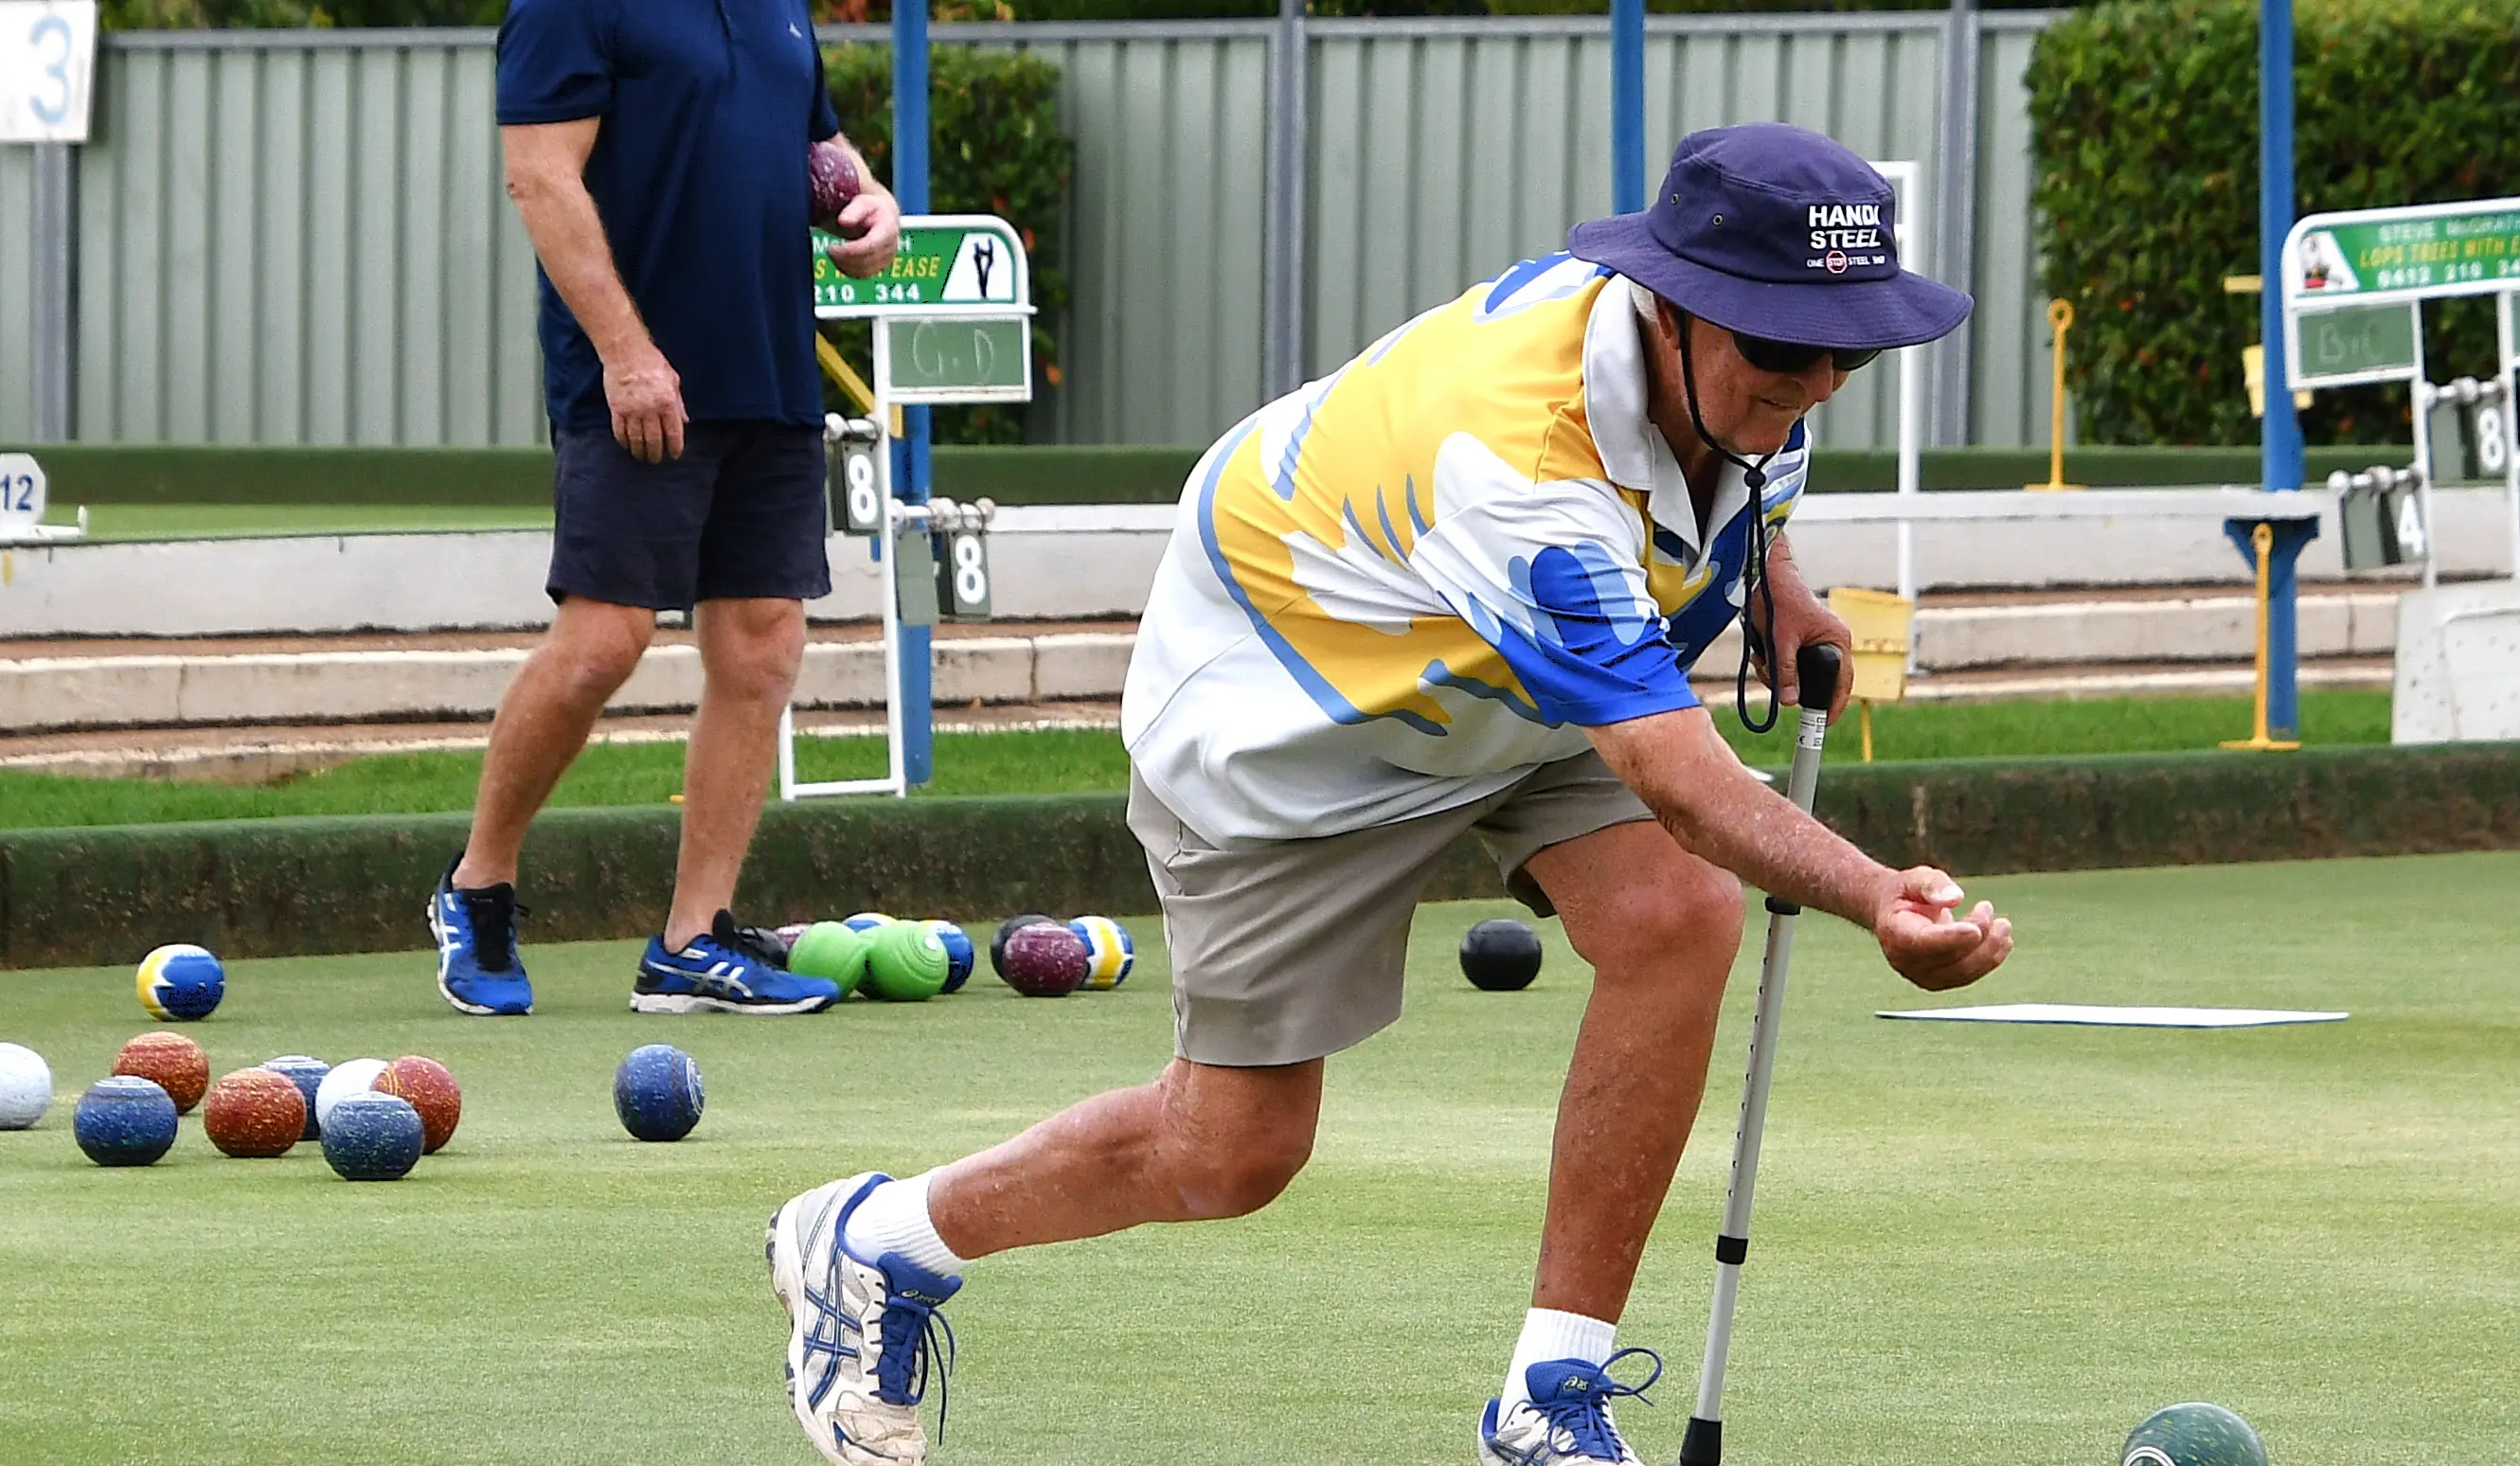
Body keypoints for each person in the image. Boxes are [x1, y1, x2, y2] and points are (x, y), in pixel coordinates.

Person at [763, 123, 2016, 1466]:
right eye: (1778, 346)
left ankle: (1548, 1402)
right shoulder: (1516, 462)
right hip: (1291, 705)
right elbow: (1678, 773)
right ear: (1673, 308)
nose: (1815, 381)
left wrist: (1778, 592)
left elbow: (1725, 505)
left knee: (1678, 916)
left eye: (1848, 350)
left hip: (1502, 676)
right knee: (1229, 1156)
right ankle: (874, 1241)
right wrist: (1877, 894)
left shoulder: (1740, 394)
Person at [430, 0, 902, 1017]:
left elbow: (816, 141)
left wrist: (870, 200)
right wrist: (626, 354)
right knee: (605, 639)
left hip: (769, 367)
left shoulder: (779, 7)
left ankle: (694, 940)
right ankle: (477, 886)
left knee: (764, 645)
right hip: (635, 373)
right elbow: (539, 176)